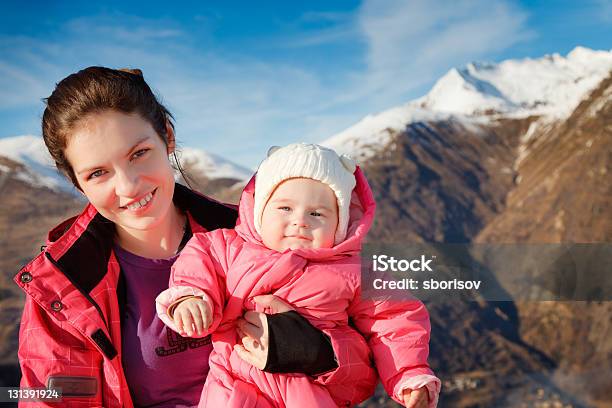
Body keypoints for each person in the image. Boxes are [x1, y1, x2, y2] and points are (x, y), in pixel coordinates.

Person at [14, 67, 377, 407]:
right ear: (77, 183)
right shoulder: (66, 285)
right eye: (97, 173)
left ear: (167, 138)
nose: (128, 185)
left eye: (139, 153)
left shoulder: (254, 240)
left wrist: (321, 354)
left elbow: (367, 376)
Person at [156, 143, 441, 408]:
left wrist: (409, 374)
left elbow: (394, 320)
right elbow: (197, 266)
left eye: (317, 214)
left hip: (309, 391)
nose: (300, 220)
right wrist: (191, 298)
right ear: (259, 210)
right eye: (285, 208)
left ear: (340, 225)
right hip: (233, 384)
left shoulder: (356, 270)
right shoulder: (227, 247)